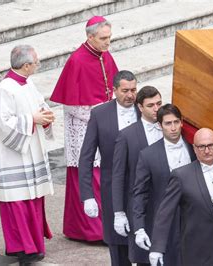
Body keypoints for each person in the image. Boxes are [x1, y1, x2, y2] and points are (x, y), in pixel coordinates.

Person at [50, 15, 118, 241]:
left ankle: (87, 228)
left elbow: (114, 88)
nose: (107, 43)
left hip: (103, 124)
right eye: (103, 38)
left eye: (109, 38)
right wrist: (100, 115)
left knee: (103, 175)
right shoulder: (77, 61)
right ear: (90, 37)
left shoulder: (105, 56)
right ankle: (93, 231)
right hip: (82, 127)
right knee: (89, 176)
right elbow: (71, 105)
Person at [0, 45, 55, 264]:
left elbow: (38, 105)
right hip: (13, 156)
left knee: (32, 200)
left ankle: (33, 245)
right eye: (36, 63)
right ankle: (23, 249)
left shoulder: (28, 83)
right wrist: (32, 120)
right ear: (26, 65)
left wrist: (45, 115)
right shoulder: (5, 89)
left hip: (30, 152)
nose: (37, 66)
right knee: (17, 202)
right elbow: (1, 123)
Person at [149, 128, 213, 266]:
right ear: (194, 148)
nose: (207, 151)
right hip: (196, 249)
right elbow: (165, 212)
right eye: (201, 146)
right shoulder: (181, 175)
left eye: (210, 145)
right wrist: (157, 247)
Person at [79, 70, 139, 266]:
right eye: (125, 90)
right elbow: (86, 157)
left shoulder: (145, 110)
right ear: (114, 90)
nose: (130, 95)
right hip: (113, 190)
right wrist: (88, 196)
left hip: (142, 188)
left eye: (133, 90)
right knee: (118, 246)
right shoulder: (99, 114)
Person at [132, 104, 196, 265]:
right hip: (165, 223)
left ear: (182, 122)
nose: (173, 128)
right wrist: (139, 227)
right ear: (160, 125)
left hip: (194, 219)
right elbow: (140, 193)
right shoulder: (148, 155)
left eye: (176, 122)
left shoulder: (195, 149)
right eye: (168, 123)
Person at [112, 86, 163, 265]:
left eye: (159, 104)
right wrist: (118, 212)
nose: (156, 109)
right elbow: (118, 176)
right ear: (140, 107)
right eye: (150, 105)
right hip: (142, 206)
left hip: (168, 202)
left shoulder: (170, 127)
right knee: (144, 257)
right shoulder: (126, 136)